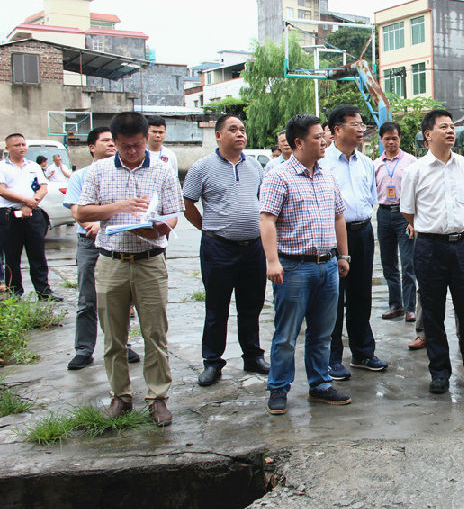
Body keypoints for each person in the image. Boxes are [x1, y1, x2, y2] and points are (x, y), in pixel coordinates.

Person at [75, 112, 183, 427]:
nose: (131, 152)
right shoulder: (98, 171)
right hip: (111, 262)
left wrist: (157, 228)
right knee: (113, 335)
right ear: (115, 142)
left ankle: (157, 397)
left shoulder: (163, 171)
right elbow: (82, 210)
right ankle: (120, 395)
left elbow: (173, 215)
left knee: (154, 332)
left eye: (136, 145)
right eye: (124, 146)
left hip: (150, 260)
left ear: (145, 139)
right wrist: (119, 207)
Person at [259, 114, 352, 414]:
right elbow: (267, 219)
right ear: (298, 142)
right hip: (294, 267)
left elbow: (339, 217)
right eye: (317, 137)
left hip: (327, 266)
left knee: (322, 331)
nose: (324, 141)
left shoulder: (327, 176)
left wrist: (343, 255)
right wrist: (272, 261)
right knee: (286, 334)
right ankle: (278, 389)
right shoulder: (279, 176)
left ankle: (320, 384)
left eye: (323, 136)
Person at [400, 109, 464, 394]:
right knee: (432, 313)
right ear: (429, 135)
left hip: (463, 246)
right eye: (444, 127)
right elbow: (408, 212)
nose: (451, 131)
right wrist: (431, 230)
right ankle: (439, 372)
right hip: (429, 247)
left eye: (452, 126)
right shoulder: (415, 170)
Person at [183, 114, 269, 387]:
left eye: (243, 129)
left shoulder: (255, 166)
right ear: (218, 135)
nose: (240, 134)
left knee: (252, 305)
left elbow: (262, 202)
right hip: (218, 248)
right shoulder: (202, 167)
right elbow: (187, 203)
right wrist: (208, 228)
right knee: (217, 307)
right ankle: (212, 362)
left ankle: (253, 355)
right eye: (233, 129)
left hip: (253, 248)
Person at [63, 127, 140, 370]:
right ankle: (84, 350)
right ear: (91, 147)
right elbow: (77, 211)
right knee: (87, 298)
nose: (110, 144)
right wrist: (94, 226)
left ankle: (123, 345)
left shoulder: (126, 174)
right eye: (105, 140)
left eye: (112, 140)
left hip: (119, 240)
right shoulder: (81, 176)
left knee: (121, 299)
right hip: (89, 241)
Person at [321, 105, 386, 381]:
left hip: (362, 232)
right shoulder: (322, 163)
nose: (361, 129)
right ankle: (332, 358)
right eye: (354, 124)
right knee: (333, 298)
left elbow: (370, 199)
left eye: (362, 124)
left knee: (361, 294)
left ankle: (362, 352)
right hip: (334, 234)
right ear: (337, 130)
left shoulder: (366, 163)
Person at [0, 134, 61, 301]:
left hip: (32, 214)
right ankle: (15, 293)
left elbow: (43, 188)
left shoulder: (33, 166)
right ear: (8, 149)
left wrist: (29, 204)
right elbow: (3, 191)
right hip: (9, 216)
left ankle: (44, 291)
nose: (21, 148)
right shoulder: (2, 167)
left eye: (23, 144)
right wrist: (25, 201)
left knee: (38, 255)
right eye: (16, 145)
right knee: (12, 256)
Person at [373, 122, 418, 327]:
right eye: (387, 139)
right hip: (383, 214)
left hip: (404, 214)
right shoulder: (375, 164)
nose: (391, 142)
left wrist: (414, 220)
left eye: (395, 138)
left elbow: (419, 192)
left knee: (408, 264)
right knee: (389, 263)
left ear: (400, 139)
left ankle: (410, 308)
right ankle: (395, 304)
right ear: (381, 140)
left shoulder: (411, 162)